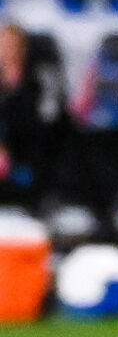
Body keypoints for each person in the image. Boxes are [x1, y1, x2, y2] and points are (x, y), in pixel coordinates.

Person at [0, 23, 67, 209]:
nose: (5, 51)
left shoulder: (39, 80)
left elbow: (49, 121)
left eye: (10, 45)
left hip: (31, 156)